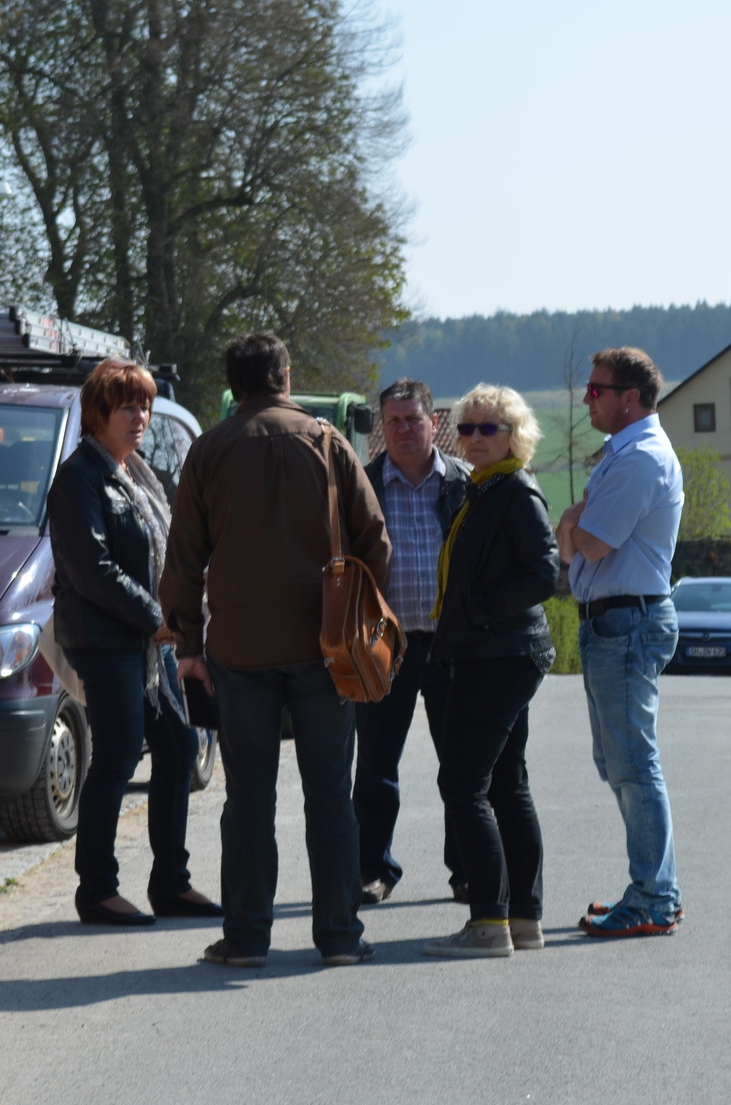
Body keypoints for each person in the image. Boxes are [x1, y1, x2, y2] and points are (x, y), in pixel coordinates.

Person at [158, 332, 391, 969]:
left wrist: (186, 641)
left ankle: (247, 937)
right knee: (330, 798)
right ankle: (340, 936)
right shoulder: (326, 441)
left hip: (240, 653)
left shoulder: (208, 451)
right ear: (286, 377)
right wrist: (360, 618)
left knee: (250, 800)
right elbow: (377, 543)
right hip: (327, 650)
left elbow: (183, 560)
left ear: (235, 386)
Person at [48, 359, 220, 926]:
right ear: (99, 412)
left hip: (149, 643)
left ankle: (171, 883)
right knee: (119, 756)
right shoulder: (78, 479)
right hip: (109, 639)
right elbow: (92, 569)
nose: (141, 416)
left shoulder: (135, 475)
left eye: (145, 405)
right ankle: (96, 890)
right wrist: (156, 619)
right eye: (129, 406)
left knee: (176, 747)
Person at [421, 386, 560, 958]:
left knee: (462, 784)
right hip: (493, 652)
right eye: (468, 428)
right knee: (506, 784)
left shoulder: (514, 491)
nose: (475, 437)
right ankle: (522, 920)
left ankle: (488, 921)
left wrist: (477, 612)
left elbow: (543, 572)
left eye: (489, 428)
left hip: (498, 653)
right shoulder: (484, 489)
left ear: (515, 435)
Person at [556, 347, 686, 939]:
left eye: (596, 390)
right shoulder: (626, 453)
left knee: (633, 765)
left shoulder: (640, 459)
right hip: (614, 620)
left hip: (627, 621)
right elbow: (575, 541)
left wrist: (574, 526)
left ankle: (655, 897)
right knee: (618, 763)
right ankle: (653, 890)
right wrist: (574, 530)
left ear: (627, 398)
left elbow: (590, 542)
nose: (588, 399)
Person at [354, 378, 469, 906]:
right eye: (392, 421)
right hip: (385, 647)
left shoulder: (464, 484)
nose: (402, 430)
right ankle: (373, 870)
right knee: (376, 768)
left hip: (451, 646)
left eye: (412, 420)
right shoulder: (364, 485)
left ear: (434, 423)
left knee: (462, 766)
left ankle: (466, 871)